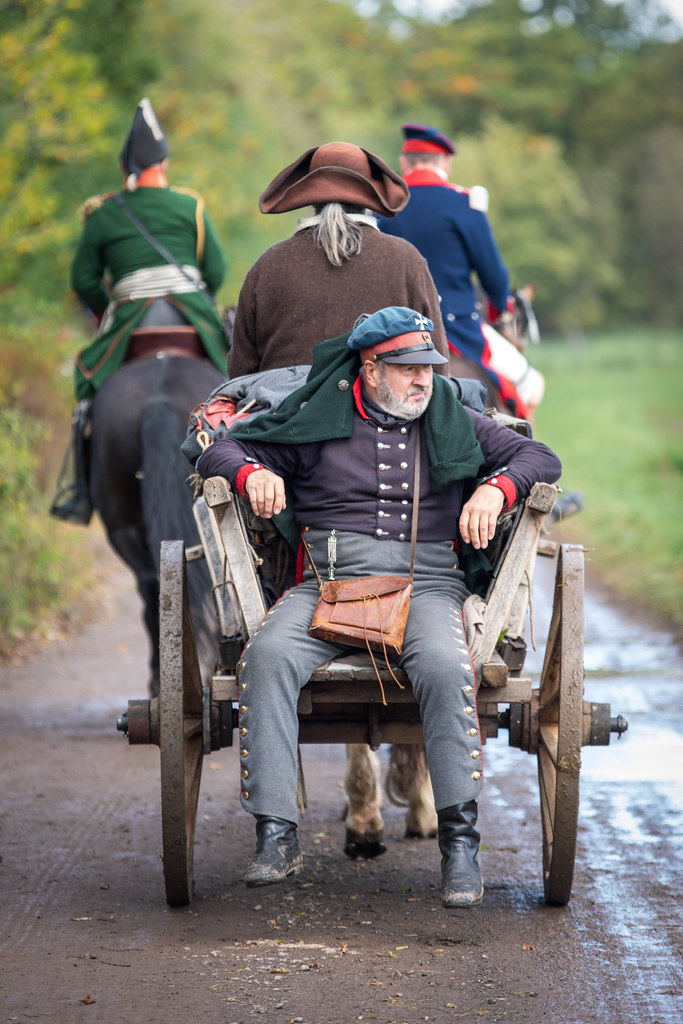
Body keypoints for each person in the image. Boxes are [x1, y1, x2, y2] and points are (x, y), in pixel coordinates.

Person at [196, 305, 562, 908]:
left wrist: (497, 488)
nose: (425, 379)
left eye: (430, 366)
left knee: (448, 669)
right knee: (266, 657)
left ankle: (461, 848)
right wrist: (249, 474)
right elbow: (217, 450)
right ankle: (276, 836)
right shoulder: (314, 419)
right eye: (408, 368)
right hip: (327, 586)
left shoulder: (453, 418)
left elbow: (539, 458)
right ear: (369, 369)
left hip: (429, 589)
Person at [52, 98, 228, 523]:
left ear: (124, 167)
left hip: (129, 325)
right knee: (237, 383)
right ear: (163, 163)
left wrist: (103, 312)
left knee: (89, 391)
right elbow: (215, 272)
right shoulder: (190, 207)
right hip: (191, 320)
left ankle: (79, 491)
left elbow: (83, 281)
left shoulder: (102, 214)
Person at [227, 141, 449, 379]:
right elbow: (435, 365)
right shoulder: (406, 259)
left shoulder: (268, 263)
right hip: (386, 412)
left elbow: (241, 370)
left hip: (284, 414)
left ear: (311, 197)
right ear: (367, 199)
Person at [378, 123, 538, 417]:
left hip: (393, 326)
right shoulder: (463, 204)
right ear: (446, 162)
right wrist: (502, 305)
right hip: (457, 329)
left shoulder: (384, 207)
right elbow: (493, 274)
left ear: (404, 161)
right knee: (531, 386)